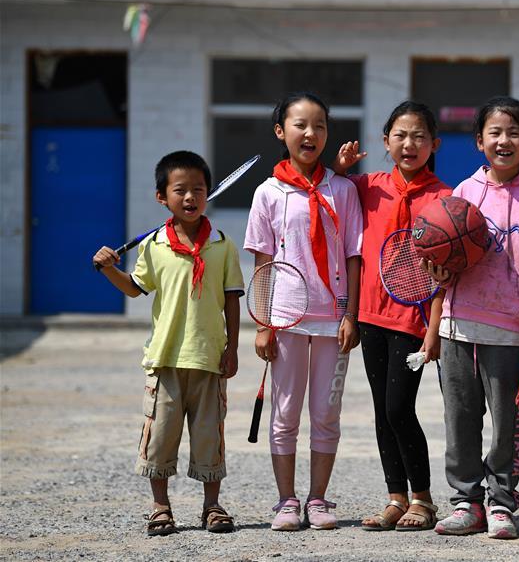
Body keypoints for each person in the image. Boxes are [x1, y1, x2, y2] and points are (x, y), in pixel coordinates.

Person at [426, 96, 519, 540]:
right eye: (495, 133)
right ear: (480, 140)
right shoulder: (463, 192)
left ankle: (502, 501)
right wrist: (439, 271)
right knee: (460, 418)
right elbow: (443, 259)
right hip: (458, 324)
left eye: (514, 133)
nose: (505, 141)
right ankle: (467, 501)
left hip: (511, 330)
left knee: (507, 424)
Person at [92, 151, 244, 536]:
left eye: (198, 189)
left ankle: (212, 505)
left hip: (209, 358)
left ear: (208, 193)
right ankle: (160, 506)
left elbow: (231, 298)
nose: (190, 197)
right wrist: (110, 267)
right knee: (160, 436)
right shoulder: (154, 246)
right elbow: (133, 289)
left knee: (210, 435)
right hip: (165, 359)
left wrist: (233, 348)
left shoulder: (223, 245)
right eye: (181, 190)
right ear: (162, 197)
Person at [244, 92, 363, 531]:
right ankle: (286, 501)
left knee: (326, 412)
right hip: (287, 320)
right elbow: (262, 264)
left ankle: (318, 499)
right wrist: (263, 324)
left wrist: (350, 314)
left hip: (334, 320)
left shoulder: (343, 189)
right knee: (285, 411)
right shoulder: (268, 193)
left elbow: (353, 255)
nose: (310, 134)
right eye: (300, 124)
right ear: (281, 132)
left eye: (319, 126)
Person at [331, 101, 449, 531]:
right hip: (371, 316)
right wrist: (341, 170)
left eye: (419, 136)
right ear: (386, 142)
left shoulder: (446, 199)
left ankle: (423, 498)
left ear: (434, 144)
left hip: (413, 322)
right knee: (383, 411)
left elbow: (445, 275)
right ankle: (395, 497)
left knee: (400, 408)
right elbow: (334, 198)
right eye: (400, 135)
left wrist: (433, 330)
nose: (409, 144)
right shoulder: (368, 185)